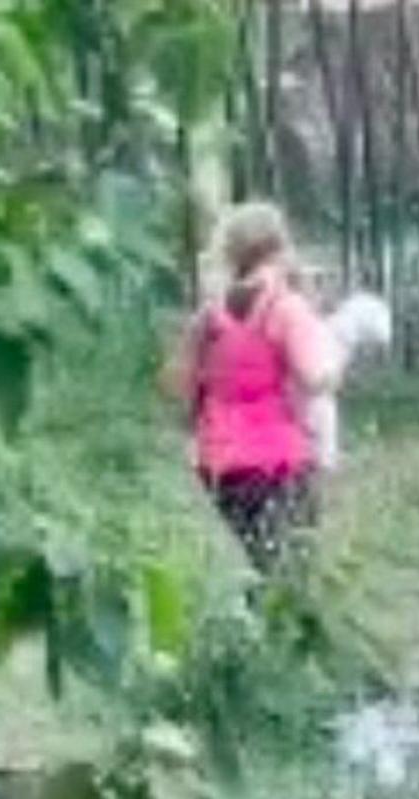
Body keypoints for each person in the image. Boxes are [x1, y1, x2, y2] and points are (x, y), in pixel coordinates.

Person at [173, 202, 341, 575]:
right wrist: (337, 363)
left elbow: (178, 385)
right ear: (280, 247)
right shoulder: (285, 307)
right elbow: (316, 379)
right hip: (277, 462)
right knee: (292, 570)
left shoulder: (210, 314)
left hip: (219, 463)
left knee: (257, 564)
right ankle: (281, 629)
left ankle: (255, 627)